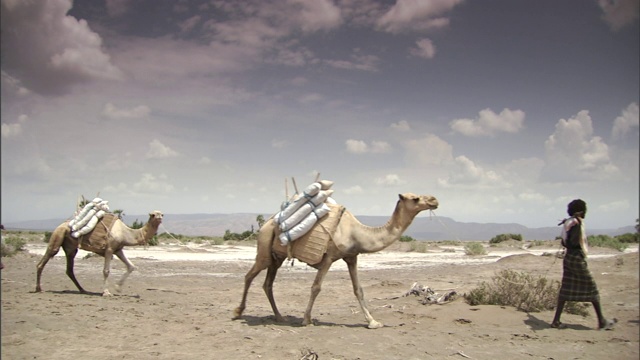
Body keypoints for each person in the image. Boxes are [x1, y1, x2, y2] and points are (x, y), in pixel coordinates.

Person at [551, 199, 616, 330]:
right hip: (576, 258)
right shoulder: (576, 223)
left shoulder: (569, 222)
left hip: (568, 257)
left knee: (566, 288)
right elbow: (574, 242)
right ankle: (602, 321)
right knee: (592, 287)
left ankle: (556, 321)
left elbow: (565, 242)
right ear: (580, 211)